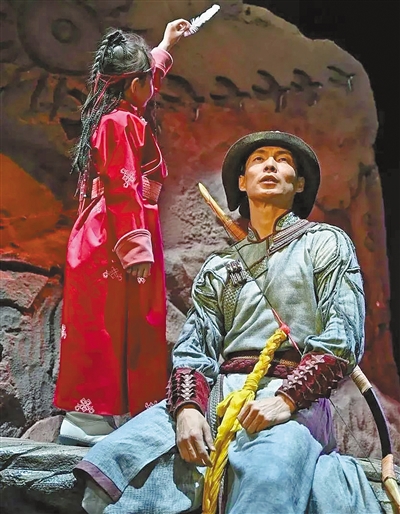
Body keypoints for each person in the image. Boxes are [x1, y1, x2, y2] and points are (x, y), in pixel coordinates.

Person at [73, 131, 382, 513]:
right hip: (217, 396)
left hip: (295, 399)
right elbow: (194, 349)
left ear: (300, 184)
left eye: (283, 160)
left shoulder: (326, 243)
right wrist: (187, 410)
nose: (270, 165)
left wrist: (285, 401)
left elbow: (343, 335)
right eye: (258, 159)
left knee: (267, 477)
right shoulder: (220, 266)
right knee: (120, 459)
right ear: (241, 181)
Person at [54, 18, 192, 446]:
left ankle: (108, 412)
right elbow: (122, 185)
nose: (153, 83)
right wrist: (134, 247)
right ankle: (85, 418)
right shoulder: (120, 123)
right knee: (103, 323)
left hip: (115, 229)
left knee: (121, 321)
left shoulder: (122, 112)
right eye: (149, 78)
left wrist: (166, 45)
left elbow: (144, 78)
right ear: (134, 84)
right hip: (114, 233)